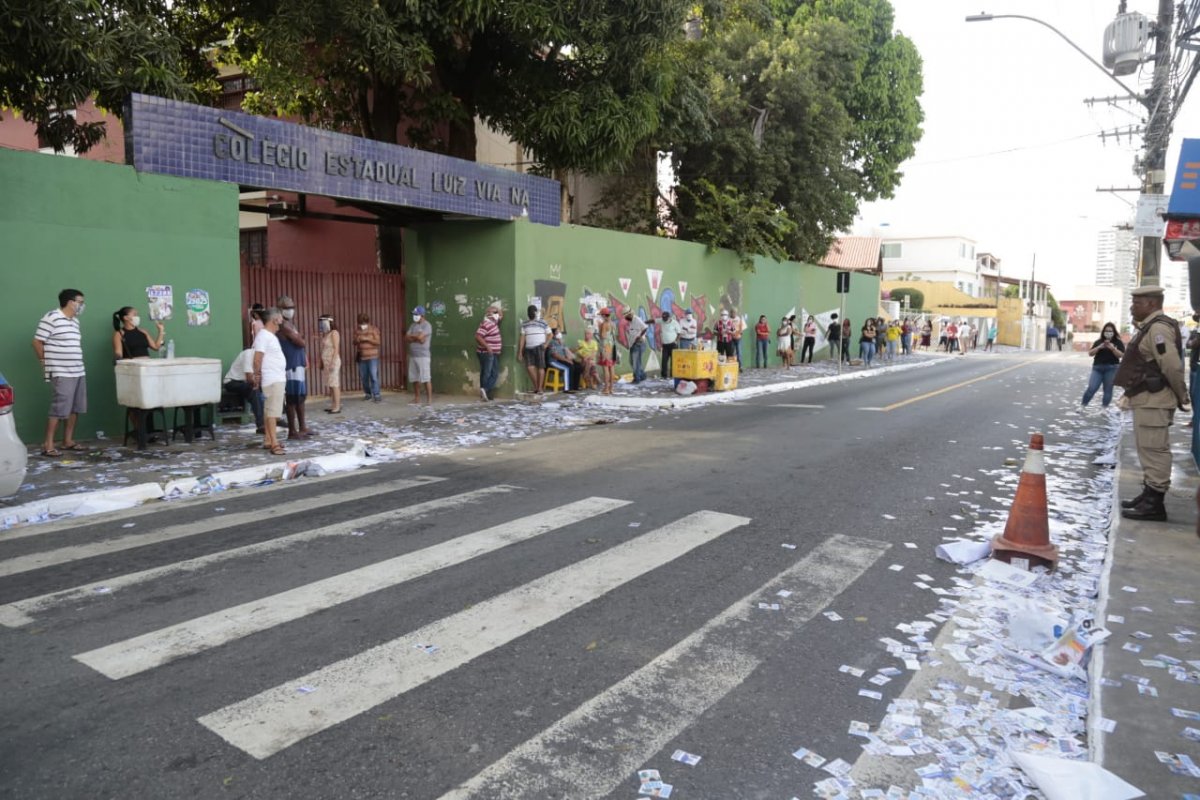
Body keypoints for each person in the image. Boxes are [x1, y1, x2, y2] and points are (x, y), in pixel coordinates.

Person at [1115, 286, 1189, 521]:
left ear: (1151, 304)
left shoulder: (1158, 329)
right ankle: (1149, 495)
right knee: (1147, 449)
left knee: (1155, 450)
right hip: (1147, 400)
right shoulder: (1150, 326)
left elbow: (1172, 366)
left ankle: (1155, 504)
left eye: (1137, 303)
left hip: (1155, 400)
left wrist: (1182, 395)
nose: (1132, 307)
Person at [33, 289, 87, 457]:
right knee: (59, 408)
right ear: (71, 302)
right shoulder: (52, 317)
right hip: (61, 370)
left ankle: (67, 441)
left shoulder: (75, 321)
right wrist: (44, 362)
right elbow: (37, 342)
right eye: (81, 302)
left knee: (74, 408)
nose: (82, 305)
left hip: (78, 370)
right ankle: (48, 444)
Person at [251, 307, 287, 455]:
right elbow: (258, 358)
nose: (282, 320)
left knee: (269, 412)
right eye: (279, 318)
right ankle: (274, 443)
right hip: (273, 380)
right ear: (274, 320)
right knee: (273, 413)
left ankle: (268, 439)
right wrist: (256, 375)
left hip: (275, 378)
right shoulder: (264, 336)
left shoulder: (269, 336)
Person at [276, 294, 311, 439]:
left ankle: (302, 427)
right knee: (292, 399)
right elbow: (301, 342)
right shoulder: (283, 325)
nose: (290, 310)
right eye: (287, 307)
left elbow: (299, 342)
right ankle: (292, 431)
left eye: (292, 307)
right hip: (291, 366)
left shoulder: (291, 324)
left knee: (301, 397)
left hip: (298, 364)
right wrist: (300, 337)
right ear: (280, 309)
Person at [1081, 322, 1125, 409]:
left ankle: (1104, 408)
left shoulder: (1118, 342)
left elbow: (1121, 355)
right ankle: (1083, 405)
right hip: (1097, 368)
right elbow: (1090, 353)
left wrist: (1113, 348)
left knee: (1108, 390)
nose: (1108, 333)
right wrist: (1099, 347)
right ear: (1103, 332)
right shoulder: (1099, 342)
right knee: (1091, 388)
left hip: (1112, 368)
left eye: (1110, 331)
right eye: (1107, 331)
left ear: (1114, 332)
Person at [223, 346, 265, 432]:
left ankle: (271, 420)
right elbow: (250, 378)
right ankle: (261, 424)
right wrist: (257, 383)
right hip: (231, 382)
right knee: (254, 390)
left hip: (244, 383)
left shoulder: (262, 358)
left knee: (263, 391)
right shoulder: (248, 354)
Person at [519, 305, 551, 393]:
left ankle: (540, 388)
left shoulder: (543, 322)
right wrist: (520, 352)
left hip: (540, 347)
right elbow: (522, 338)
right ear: (528, 313)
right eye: (530, 312)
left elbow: (550, 334)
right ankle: (537, 386)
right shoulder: (524, 324)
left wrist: (546, 344)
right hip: (528, 348)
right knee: (529, 367)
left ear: (536, 313)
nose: (531, 313)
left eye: (533, 312)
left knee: (540, 367)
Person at [474, 305, 503, 401]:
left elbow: (501, 315)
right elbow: (478, 336)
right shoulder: (486, 323)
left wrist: (495, 308)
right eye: (494, 313)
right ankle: (485, 391)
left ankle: (485, 392)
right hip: (486, 352)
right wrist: (488, 347)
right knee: (487, 373)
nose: (496, 314)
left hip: (493, 353)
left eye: (495, 313)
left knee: (492, 373)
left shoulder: (494, 322)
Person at [406, 305, 433, 404]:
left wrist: (414, 337)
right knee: (414, 378)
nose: (414, 316)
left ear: (422, 315)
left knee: (426, 378)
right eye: (414, 314)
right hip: (413, 355)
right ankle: (417, 398)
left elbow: (421, 337)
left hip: (423, 355)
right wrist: (416, 337)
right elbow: (407, 338)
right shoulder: (413, 325)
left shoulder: (427, 325)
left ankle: (429, 399)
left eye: (416, 314)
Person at [354, 312, 382, 402]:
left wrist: (367, 339)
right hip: (362, 357)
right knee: (364, 377)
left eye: (363, 322)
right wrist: (357, 339)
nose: (362, 325)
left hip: (372, 357)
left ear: (367, 321)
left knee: (373, 376)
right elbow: (354, 342)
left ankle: (376, 394)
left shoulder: (374, 329)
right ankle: (368, 394)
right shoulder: (357, 330)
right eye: (360, 323)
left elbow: (378, 342)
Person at [318, 314, 342, 413]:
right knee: (330, 384)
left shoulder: (334, 333)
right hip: (326, 361)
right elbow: (323, 349)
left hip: (333, 361)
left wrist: (333, 362)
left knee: (334, 383)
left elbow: (336, 348)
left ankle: (337, 406)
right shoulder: (325, 334)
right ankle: (333, 405)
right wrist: (321, 361)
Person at [625, 309, 649, 383]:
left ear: (629, 314)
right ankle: (642, 375)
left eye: (626, 315)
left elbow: (645, 327)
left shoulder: (637, 319)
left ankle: (637, 378)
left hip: (638, 343)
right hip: (633, 344)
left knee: (636, 362)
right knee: (633, 362)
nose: (625, 317)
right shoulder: (631, 321)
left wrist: (640, 336)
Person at [598, 308, 616, 394]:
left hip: (606, 347)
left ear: (604, 315)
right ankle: (611, 388)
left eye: (601, 315)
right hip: (611, 346)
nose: (601, 317)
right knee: (611, 367)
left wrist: (599, 328)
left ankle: (606, 389)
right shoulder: (612, 323)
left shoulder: (604, 324)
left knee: (605, 368)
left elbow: (603, 336)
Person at [660, 311, 680, 378]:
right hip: (665, 345)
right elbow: (653, 320)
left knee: (673, 361)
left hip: (673, 345)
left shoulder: (674, 323)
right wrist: (644, 322)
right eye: (663, 318)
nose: (664, 319)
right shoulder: (662, 320)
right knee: (664, 361)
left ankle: (673, 375)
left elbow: (679, 333)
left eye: (665, 318)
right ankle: (664, 376)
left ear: (669, 317)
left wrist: (676, 341)